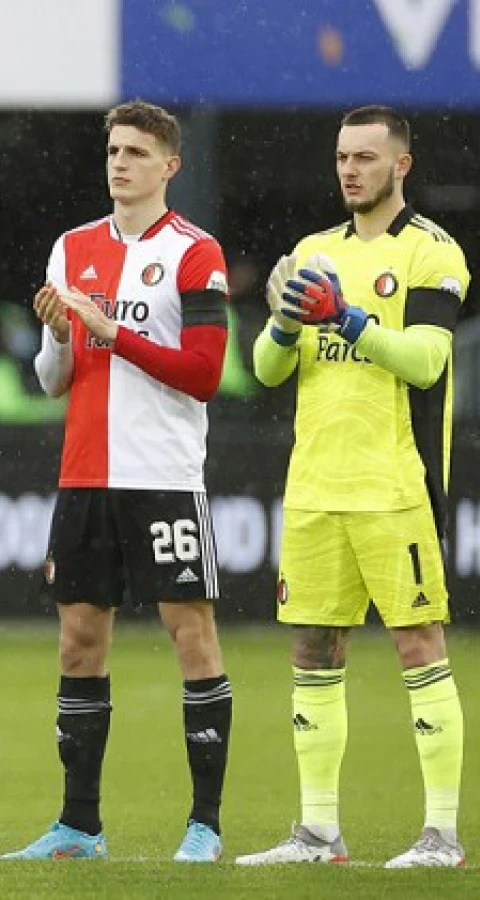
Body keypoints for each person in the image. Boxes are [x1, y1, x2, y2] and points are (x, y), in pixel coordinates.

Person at [237, 106, 470, 869]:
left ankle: (441, 835)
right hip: (314, 487)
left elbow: (427, 362)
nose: (350, 171)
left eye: (366, 158)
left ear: (400, 165)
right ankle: (317, 833)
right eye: (342, 157)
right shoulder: (312, 251)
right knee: (312, 649)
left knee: (417, 645)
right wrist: (280, 323)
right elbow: (268, 372)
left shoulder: (433, 253)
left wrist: (349, 317)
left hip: (394, 481)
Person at [3, 101, 233, 863]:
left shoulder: (197, 254)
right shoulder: (70, 250)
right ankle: (79, 825)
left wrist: (113, 332)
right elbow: (49, 380)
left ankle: (204, 824)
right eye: (112, 150)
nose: (119, 163)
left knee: (191, 637)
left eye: (136, 152)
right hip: (84, 477)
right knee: (78, 643)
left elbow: (202, 374)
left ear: (170, 166)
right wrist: (64, 340)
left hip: (163, 474)